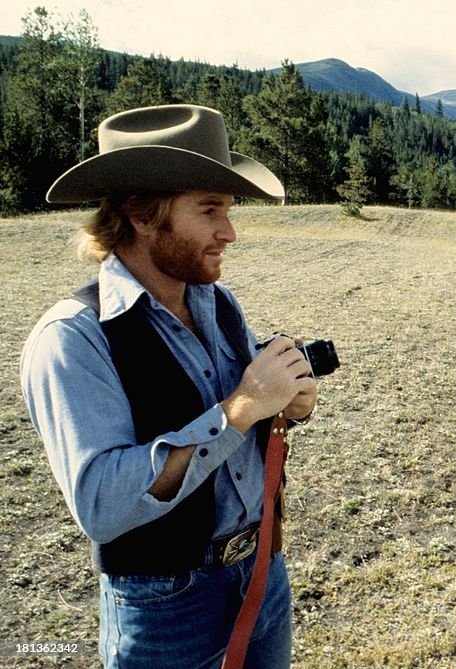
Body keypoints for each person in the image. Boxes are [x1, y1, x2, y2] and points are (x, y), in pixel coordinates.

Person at [20, 104, 318, 669]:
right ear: (141, 212)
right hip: (164, 611)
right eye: (210, 210)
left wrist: (287, 405)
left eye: (228, 211)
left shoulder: (217, 302)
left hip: (259, 576)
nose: (228, 232)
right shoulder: (71, 340)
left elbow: (252, 412)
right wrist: (240, 409)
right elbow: (104, 504)